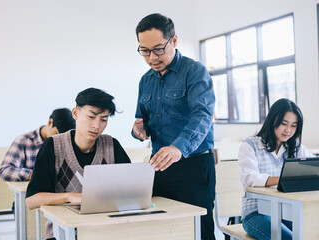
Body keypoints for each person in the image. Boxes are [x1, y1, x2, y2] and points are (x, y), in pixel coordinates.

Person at [132, 13, 216, 240]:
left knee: (200, 231)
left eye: (158, 49)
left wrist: (178, 148)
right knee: (164, 231)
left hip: (194, 165)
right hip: (160, 167)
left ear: (174, 41)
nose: (152, 58)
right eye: (145, 51)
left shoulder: (195, 72)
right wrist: (138, 129)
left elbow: (203, 115)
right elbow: (143, 119)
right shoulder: (145, 80)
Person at [26, 88, 131, 240]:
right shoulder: (53, 146)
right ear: (75, 113)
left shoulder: (112, 145)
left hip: (106, 230)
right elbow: (31, 201)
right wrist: (69, 196)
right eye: (91, 116)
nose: (96, 125)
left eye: (104, 119)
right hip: (63, 232)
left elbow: (132, 189)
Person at [238, 98, 314, 240]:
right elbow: (249, 179)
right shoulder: (251, 145)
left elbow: (312, 164)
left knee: (312, 232)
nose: (288, 130)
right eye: (284, 124)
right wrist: (282, 179)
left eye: (293, 126)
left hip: (287, 212)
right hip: (256, 213)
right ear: (273, 120)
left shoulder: (295, 147)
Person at [0, 108, 75, 181]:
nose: (60, 140)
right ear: (50, 122)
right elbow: (4, 171)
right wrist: (35, 175)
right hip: (32, 192)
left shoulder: (67, 141)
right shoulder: (23, 141)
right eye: (56, 134)